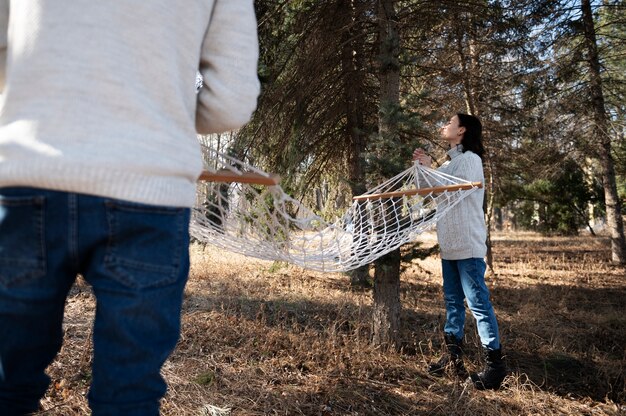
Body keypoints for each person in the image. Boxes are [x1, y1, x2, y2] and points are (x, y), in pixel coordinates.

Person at [0, 1, 260, 414]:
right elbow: (231, 100)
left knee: (4, 381)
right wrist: (158, 113)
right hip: (149, 190)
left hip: (27, 175)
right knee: (129, 395)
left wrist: (32, 103)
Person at [413, 114, 506, 390]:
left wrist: (430, 169)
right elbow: (427, 192)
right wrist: (421, 169)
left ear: (462, 130)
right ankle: (453, 357)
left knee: (478, 303)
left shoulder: (471, 161)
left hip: (468, 245)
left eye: (449, 122)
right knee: (452, 302)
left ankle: (495, 366)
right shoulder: (450, 163)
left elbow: (449, 189)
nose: (444, 125)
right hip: (450, 246)